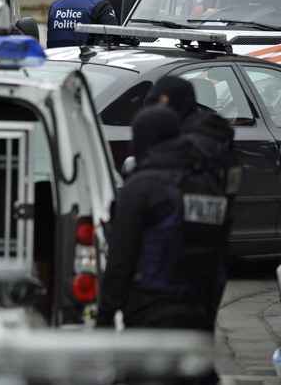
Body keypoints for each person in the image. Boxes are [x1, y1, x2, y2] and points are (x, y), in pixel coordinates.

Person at [97, 106, 227, 333]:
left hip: (149, 314)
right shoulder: (209, 186)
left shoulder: (141, 188)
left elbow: (120, 262)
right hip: (196, 316)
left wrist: (104, 318)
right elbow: (218, 264)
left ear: (146, 139)